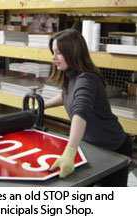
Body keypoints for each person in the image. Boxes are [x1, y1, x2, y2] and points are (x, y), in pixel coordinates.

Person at [45, 28, 132, 186]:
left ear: (72, 52)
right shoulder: (71, 76)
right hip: (91, 146)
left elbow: (80, 112)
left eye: (58, 53)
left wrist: (70, 152)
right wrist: (41, 106)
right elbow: (66, 94)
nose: (53, 57)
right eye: (53, 52)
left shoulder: (86, 79)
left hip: (113, 148)